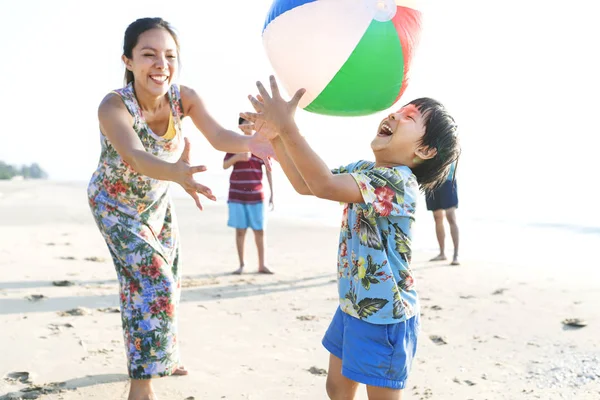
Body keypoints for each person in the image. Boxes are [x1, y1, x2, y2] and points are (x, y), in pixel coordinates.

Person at [241, 76, 460, 400]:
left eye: (409, 118)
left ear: (424, 150)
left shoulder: (400, 183)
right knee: (337, 388)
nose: (394, 116)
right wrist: (276, 138)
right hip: (352, 305)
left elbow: (324, 183)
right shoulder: (364, 170)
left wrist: (289, 129)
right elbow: (308, 183)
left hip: (386, 316)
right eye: (397, 111)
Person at [87, 17, 272, 400]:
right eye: (149, 54)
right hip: (115, 206)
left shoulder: (182, 98)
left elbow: (220, 136)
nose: (161, 64)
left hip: (156, 202)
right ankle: (142, 385)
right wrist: (177, 172)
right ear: (128, 60)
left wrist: (256, 144)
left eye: (169, 55)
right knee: (151, 282)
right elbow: (135, 157)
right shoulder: (113, 106)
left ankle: (164, 355)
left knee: (170, 280)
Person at [223, 117, 274, 275]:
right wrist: (237, 157)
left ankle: (262, 264)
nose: (247, 126)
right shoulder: (234, 145)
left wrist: (272, 193)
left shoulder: (260, 146)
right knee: (240, 230)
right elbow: (224, 165)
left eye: (250, 124)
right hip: (236, 194)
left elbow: (269, 170)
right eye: (244, 124)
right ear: (240, 126)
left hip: (257, 194)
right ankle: (242, 264)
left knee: (260, 231)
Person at [426, 161, 459, 265]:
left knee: (451, 217)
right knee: (437, 217)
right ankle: (442, 253)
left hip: (448, 180)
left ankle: (456, 255)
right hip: (431, 182)